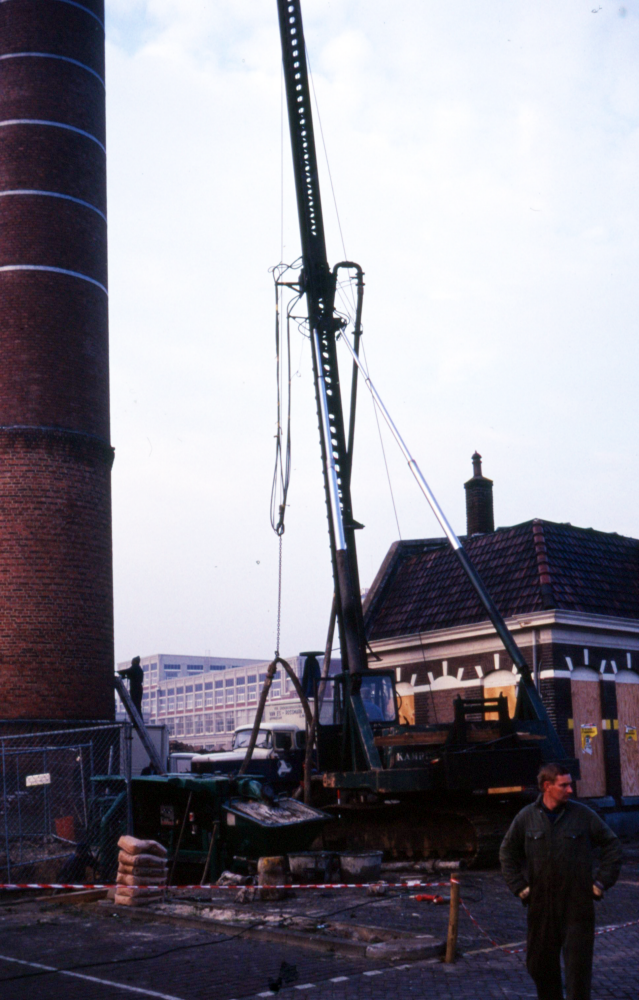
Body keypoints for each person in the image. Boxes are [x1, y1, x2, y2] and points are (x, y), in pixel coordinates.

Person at [500, 762, 622, 1000]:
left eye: (570, 784)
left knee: (577, 973)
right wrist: (521, 888)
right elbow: (506, 853)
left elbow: (613, 845)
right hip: (541, 906)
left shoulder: (583, 815)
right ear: (547, 786)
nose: (570, 790)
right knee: (539, 966)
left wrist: (600, 883)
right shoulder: (527, 817)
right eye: (564, 785)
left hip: (577, 906)